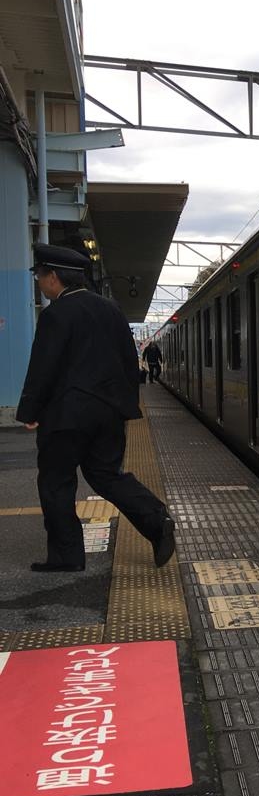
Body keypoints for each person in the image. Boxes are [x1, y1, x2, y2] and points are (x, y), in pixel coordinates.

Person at [16, 243, 175, 573]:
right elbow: (129, 362)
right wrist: (124, 406)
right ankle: (156, 519)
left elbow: (43, 367)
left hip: (65, 416)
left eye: (39, 276)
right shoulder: (112, 310)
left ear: (53, 277)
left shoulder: (55, 314)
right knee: (106, 475)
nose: (39, 284)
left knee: (56, 482)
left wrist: (30, 411)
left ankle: (67, 556)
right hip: (108, 414)